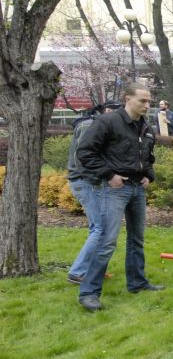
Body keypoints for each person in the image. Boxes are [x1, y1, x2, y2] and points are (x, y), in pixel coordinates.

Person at [75, 83, 164, 312]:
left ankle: (137, 283)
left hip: (137, 189)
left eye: (149, 101)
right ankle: (89, 293)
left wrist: (149, 175)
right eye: (142, 100)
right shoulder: (107, 122)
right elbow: (85, 152)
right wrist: (109, 175)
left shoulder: (145, 126)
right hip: (114, 189)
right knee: (107, 241)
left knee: (137, 239)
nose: (147, 105)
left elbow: (148, 156)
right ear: (127, 99)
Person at [66, 101, 122, 284]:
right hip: (85, 182)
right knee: (99, 228)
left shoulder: (99, 126)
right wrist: (100, 179)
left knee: (99, 228)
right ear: (107, 112)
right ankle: (77, 272)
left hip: (91, 182)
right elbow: (83, 157)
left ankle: (92, 270)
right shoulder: (88, 125)